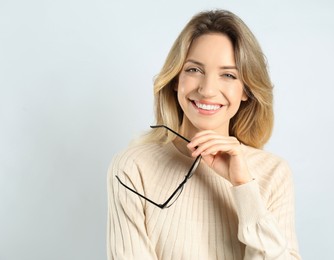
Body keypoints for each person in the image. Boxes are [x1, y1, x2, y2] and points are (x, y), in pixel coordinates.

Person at [107, 9, 300, 259]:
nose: (207, 90)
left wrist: (244, 186)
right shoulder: (133, 168)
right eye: (194, 70)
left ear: (246, 90)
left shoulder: (274, 173)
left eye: (228, 75)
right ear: (176, 78)